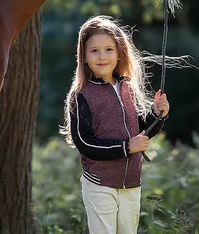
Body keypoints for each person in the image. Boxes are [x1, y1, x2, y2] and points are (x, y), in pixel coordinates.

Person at [60, 15, 170, 234]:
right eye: (94, 51)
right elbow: (84, 143)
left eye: (109, 49)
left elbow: (139, 130)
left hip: (131, 183)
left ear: (119, 52)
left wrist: (157, 114)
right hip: (99, 183)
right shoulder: (81, 94)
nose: (102, 57)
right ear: (83, 55)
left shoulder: (126, 87)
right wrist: (127, 147)